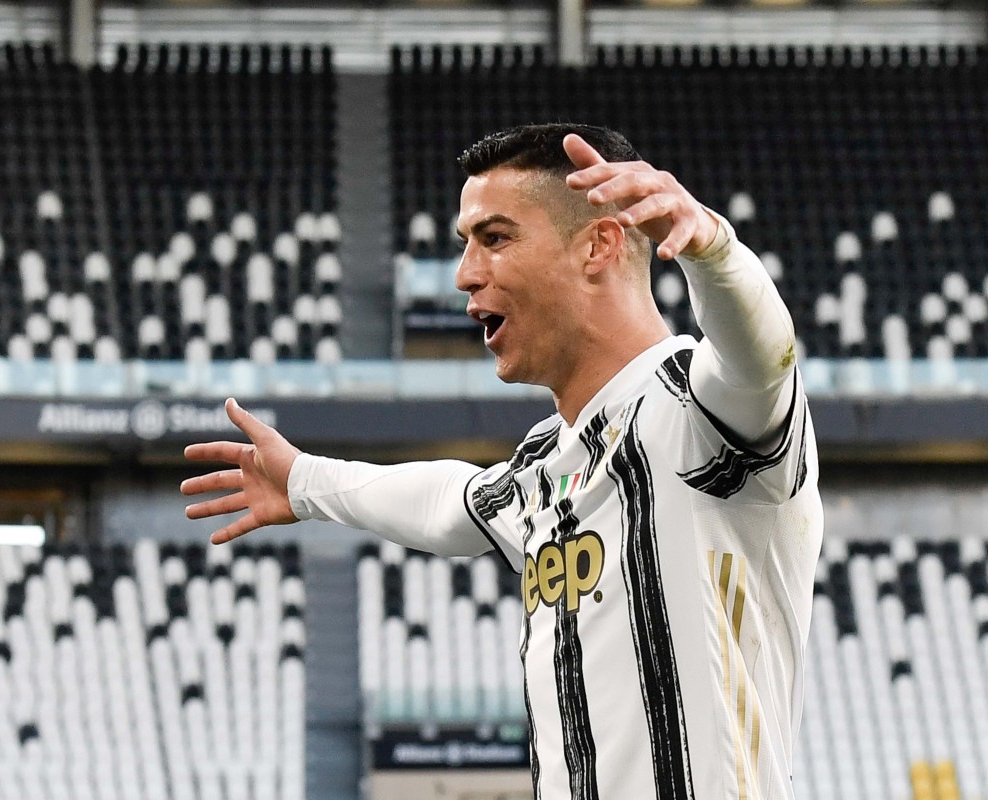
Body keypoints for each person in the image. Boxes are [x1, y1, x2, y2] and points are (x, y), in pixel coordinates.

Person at [180, 123, 823, 800]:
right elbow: (448, 505)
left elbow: (763, 362)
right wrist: (305, 480)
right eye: (467, 243)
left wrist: (713, 251)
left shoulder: (699, 415)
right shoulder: (545, 463)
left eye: (494, 238)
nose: (464, 274)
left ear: (598, 245)